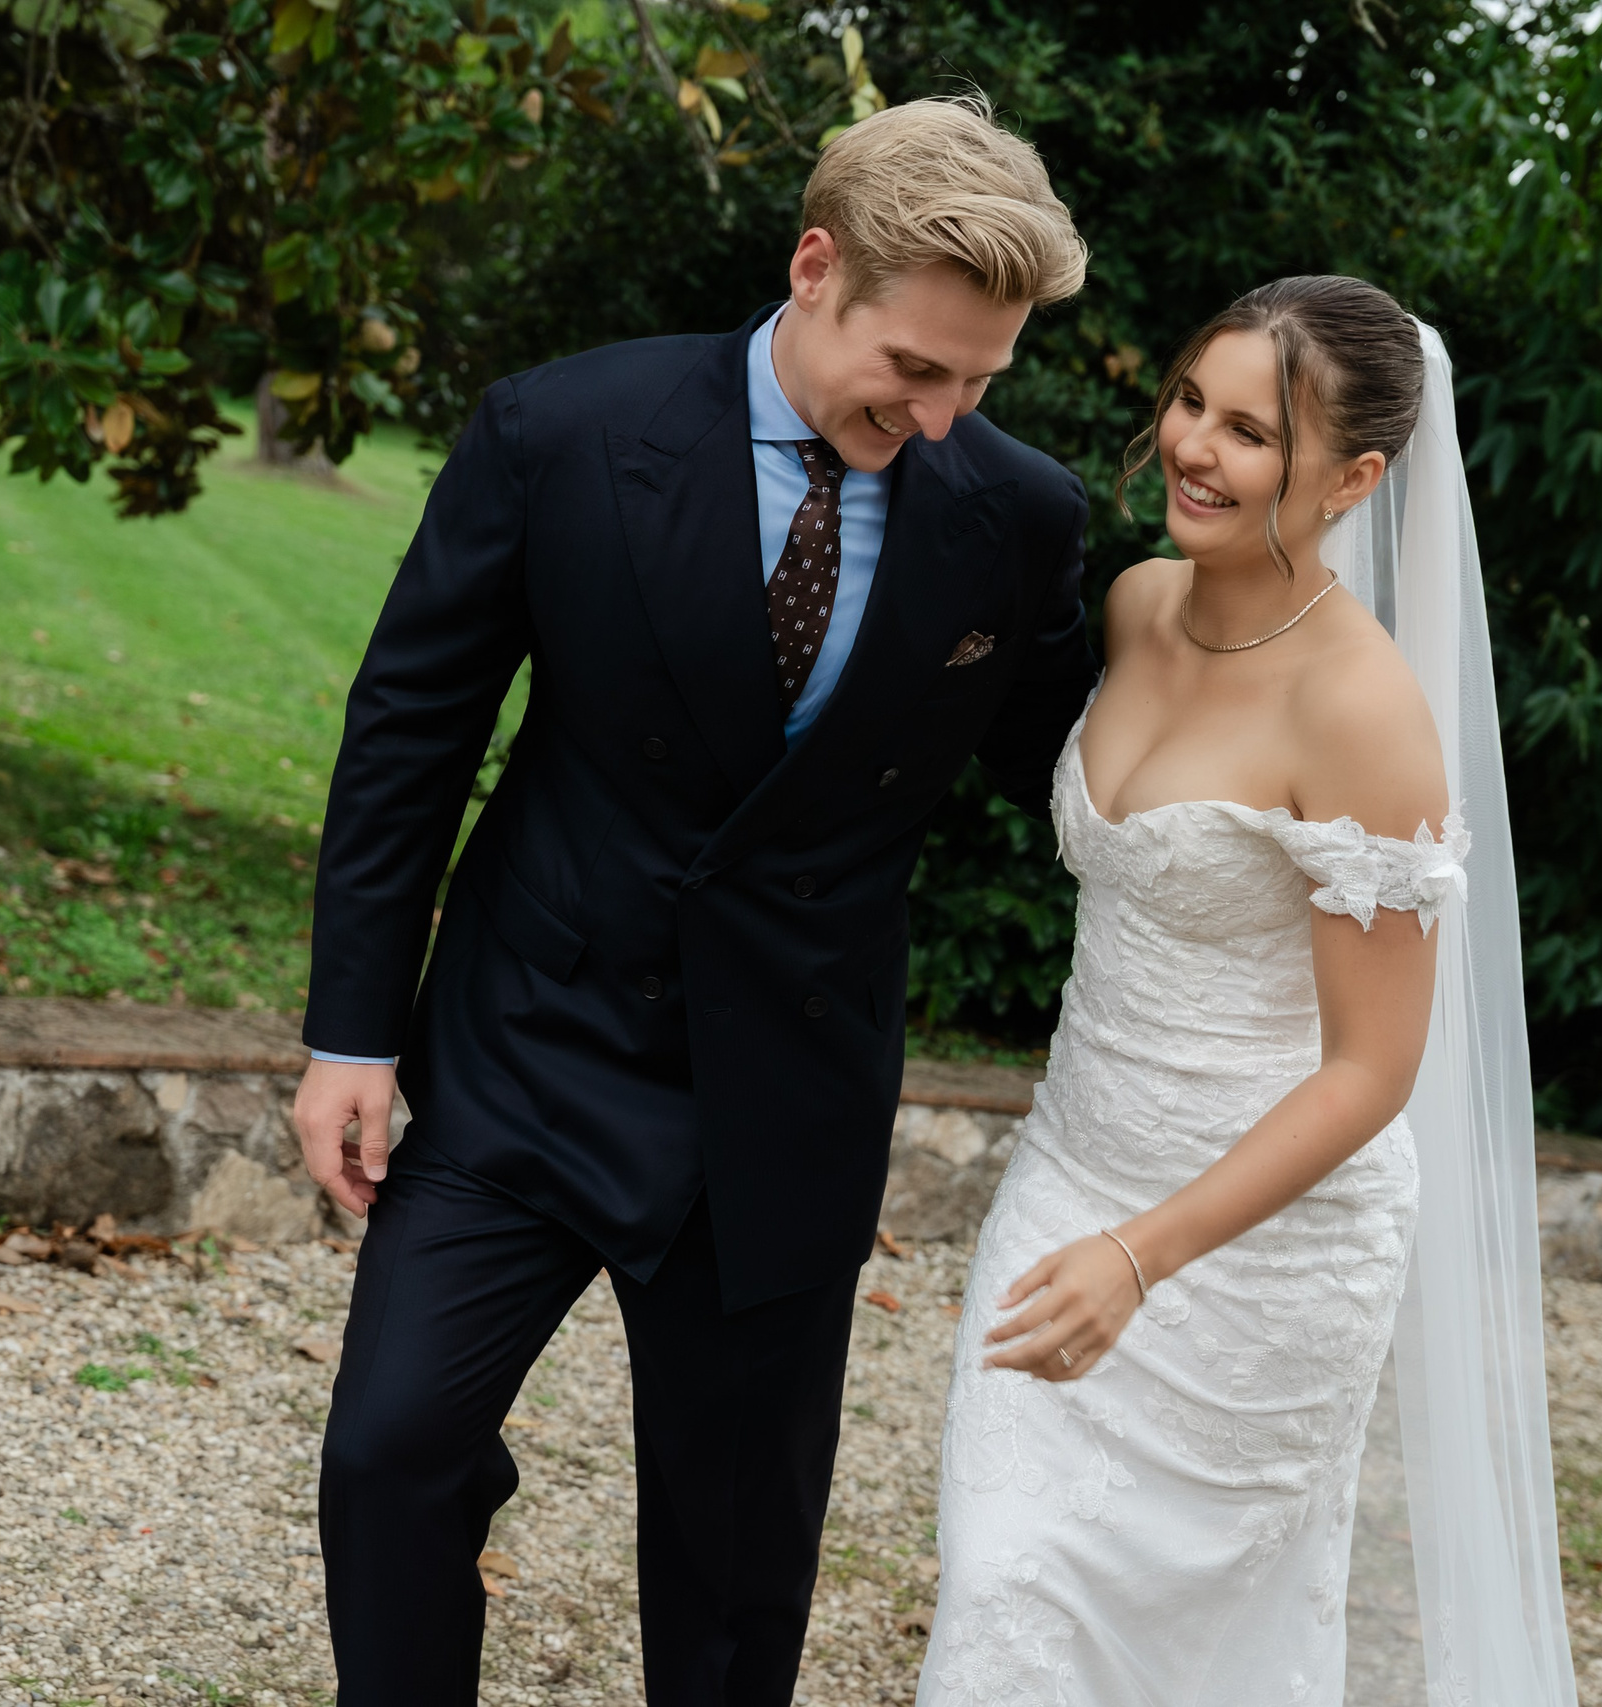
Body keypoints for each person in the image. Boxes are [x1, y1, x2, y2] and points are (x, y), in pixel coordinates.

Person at [291, 97, 1096, 1707]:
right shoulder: (561, 432)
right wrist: (350, 1034)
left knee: (736, 1564)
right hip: (531, 1037)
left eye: (980, 384)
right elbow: (410, 734)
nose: (942, 419)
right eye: (915, 371)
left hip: (785, 1084)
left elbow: (1076, 766)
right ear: (816, 269)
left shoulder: (1018, 518)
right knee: (390, 1453)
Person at [918, 276, 1580, 1706]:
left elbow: (1372, 1073)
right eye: (1188, 405)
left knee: (1188, 1659)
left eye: (1251, 434)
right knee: (1002, 1582)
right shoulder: (1138, 604)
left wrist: (1144, 1256)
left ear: (1355, 477)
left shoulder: (1361, 711)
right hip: (1068, 1175)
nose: (1195, 451)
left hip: (1256, 1263)